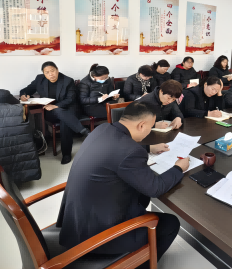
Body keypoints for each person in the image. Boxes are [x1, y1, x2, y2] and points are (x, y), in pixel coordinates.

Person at [56, 102, 190, 267]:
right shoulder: (131, 152)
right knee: (170, 223)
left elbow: (116, 149)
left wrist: (148, 147)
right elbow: (155, 188)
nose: (149, 131)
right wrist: (178, 168)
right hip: (98, 236)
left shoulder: (102, 129)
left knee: (140, 196)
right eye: (150, 127)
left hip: (76, 223)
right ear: (141, 125)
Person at [20, 62, 88, 165]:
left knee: (64, 121)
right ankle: (83, 131)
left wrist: (56, 106)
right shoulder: (39, 79)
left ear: (57, 70)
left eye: (52, 71)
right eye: (47, 72)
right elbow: (26, 90)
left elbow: (71, 99)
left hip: (68, 109)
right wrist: (24, 95)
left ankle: (66, 154)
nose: (50, 74)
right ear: (44, 73)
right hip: (50, 111)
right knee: (62, 116)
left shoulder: (67, 80)